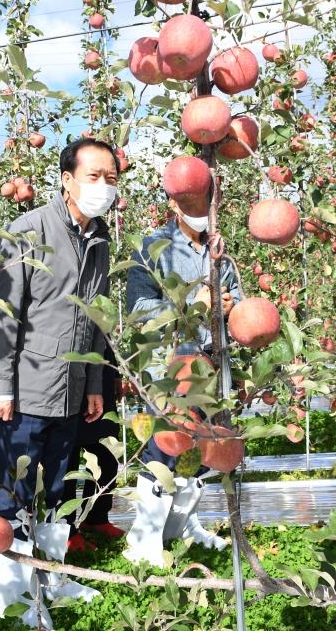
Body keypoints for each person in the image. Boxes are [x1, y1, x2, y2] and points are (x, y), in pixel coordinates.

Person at [0, 138, 118, 628]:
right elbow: (2, 317)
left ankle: (53, 579)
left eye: (111, 178)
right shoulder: (29, 230)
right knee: (15, 492)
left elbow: (96, 320)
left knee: (58, 488)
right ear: (67, 178)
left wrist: (95, 381)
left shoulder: (99, 240)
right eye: (93, 176)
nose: (103, 187)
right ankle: (15, 595)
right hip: (24, 388)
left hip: (72, 387)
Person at [123, 188, 239, 566]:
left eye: (207, 203)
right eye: (192, 204)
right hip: (170, 364)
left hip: (211, 361)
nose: (202, 212)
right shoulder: (155, 247)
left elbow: (233, 296)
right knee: (165, 445)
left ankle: (185, 526)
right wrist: (194, 305)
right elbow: (141, 310)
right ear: (173, 204)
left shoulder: (218, 248)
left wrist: (232, 305)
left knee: (203, 448)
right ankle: (144, 538)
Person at [61, 345, 124, 551]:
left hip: (100, 370)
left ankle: (97, 517)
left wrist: (114, 371)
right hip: (67, 370)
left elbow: (104, 332)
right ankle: (65, 528)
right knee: (65, 454)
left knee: (107, 447)